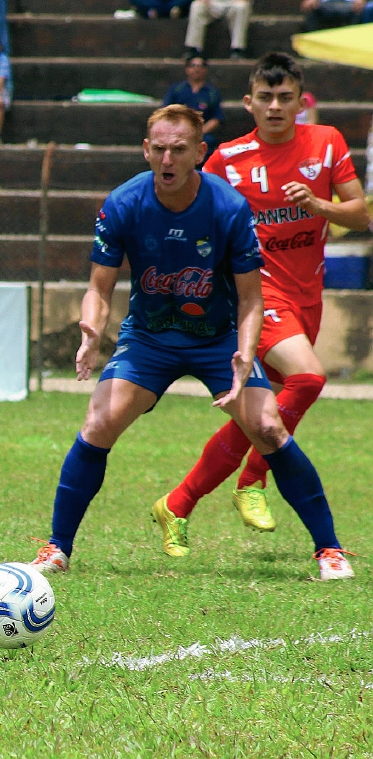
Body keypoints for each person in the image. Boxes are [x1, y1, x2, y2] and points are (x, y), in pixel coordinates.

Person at [27, 104, 355, 582]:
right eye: (158, 148)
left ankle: (329, 550)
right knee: (98, 423)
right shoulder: (122, 203)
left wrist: (245, 354)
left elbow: (250, 297)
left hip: (219, 337)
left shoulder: (226, 207)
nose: (167, 158)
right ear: (145, 150)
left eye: (178, 149)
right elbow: (99, 288)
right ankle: (57, 549)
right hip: (150, 338)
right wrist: (91, 331)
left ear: (200, 153)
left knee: (267, 427)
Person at [151, 54, 369, 563]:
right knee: (310, 379)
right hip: (257, 294)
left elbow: (360, 214)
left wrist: (321, 208)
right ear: (248, 102)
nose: (275, 107)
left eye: (285, 97)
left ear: (300, 102)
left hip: (306, 296)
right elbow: (189, 204)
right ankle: (253, 479)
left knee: (260, 415)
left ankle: (177, 504)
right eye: (265, 98)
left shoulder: (327, 143)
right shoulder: (227, 158)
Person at [184, 0, 261, 60]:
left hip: (236, 2)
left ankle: (237, 49)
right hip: (215, 2)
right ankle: (194, 48)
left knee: (242, 8)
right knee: (197, 6)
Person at [162, 55, 224, 158]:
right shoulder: (177, 89)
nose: (196, 69)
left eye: (200, 66)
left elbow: (216, 118)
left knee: (208, 142)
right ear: (187, 69)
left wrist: (199, 131)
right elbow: (166, 111)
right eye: (193, 65)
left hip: (201, 132)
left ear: (205, 70)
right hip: (177, 130)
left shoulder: (212, 92)